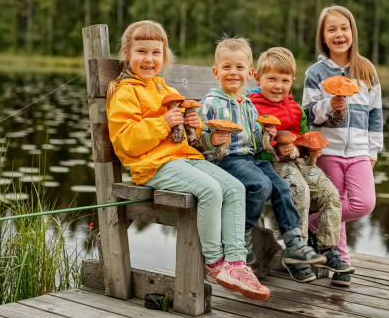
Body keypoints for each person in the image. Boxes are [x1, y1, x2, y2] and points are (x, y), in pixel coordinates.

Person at [106, 20, 269, 301]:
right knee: (210, 190)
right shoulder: (125, 92)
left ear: (164, 56)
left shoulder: (161, 87)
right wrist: (162, 123)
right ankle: (215, 263)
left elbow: (188, 135)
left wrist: (194, 124)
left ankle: (236, 263)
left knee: (235, 188)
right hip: (152, 166)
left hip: (182, 158)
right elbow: (126, 141)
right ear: (126, 53)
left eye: (156, 53)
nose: (149, 59)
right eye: (141, 52)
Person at [198, 37, 326, 282]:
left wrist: (266, 136)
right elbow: (196, 139)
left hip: (252, 158)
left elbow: (256, 143)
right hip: (227, 160)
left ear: (249, 73)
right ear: (216, 71)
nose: (233, 73)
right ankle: (242, 233)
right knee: (261, 185)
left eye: (239, 68)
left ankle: (294, 242)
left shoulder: (248, 105)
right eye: (227, 67)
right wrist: (210, 139)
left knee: (281, 185)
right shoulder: (210, 102)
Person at [247, 47, 349, 283]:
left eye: (284, 80)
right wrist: (273, 147)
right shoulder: (251, 107)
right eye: (271, 79)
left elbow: (303, 136)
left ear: (292, 80)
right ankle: (297, 252)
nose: (277, 86)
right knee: (299, 192)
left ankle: (326, 247)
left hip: (299, 162)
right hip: (272, 165)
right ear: (258, 77)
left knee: (330, 194)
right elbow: (249, 144)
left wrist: (304, 149)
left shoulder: (294, 108)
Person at [302, 6, 383, 287]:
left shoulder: (366, 70)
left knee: (363, 203)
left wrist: (373, 151)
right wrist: (328, 105)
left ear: (352, 33)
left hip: (359, 151)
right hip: (329, 151)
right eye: (332, 29)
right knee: (335, 200)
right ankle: (341, 264)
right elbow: (308, 113)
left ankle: (314, 222)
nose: (339, 34)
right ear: (323, 37)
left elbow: (376, 115)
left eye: (344, 28)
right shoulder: (315, 72)